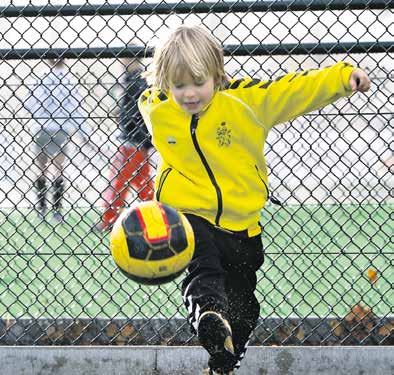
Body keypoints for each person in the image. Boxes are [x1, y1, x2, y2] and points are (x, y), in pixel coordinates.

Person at [138, 25, 371, 375]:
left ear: (217, 75)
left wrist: (341, 78)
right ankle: (207, 312)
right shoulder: (156, 107)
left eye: (198, 83)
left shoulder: (245, 102)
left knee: (245, 309)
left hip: (241, 223)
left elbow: (292, 90)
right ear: (162, 83)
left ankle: (222, 361)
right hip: (188, 213)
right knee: (202, 268)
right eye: (178, 85)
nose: (188, 95)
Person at [24, 58, 92, 223]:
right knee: (58, 169)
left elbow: (28, 103)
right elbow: (76, 109)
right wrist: (84, 134)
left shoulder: (40, 78)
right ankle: (57, 211)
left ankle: (41, 209)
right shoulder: (69, 81)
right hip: (61, 127)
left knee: (41, 168)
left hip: (41, 127)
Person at [94, 56, 155, 232]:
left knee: (118, 180)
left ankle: (108, 220)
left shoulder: (137, 80)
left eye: (124, 59)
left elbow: (136, 112)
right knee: (143, 183)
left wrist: (124, 120)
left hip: (132, 140)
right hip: (138, 140)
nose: (121, 62)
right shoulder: (136, 79)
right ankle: (155, 215)